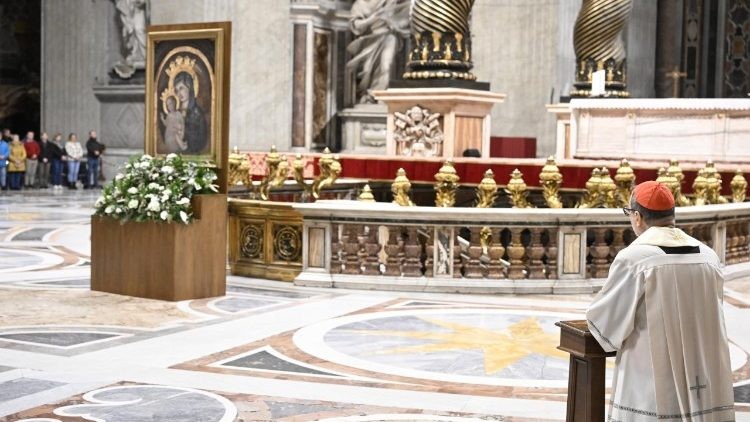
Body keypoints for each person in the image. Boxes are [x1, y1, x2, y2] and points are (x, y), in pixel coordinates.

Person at [586, 181, 734, 421]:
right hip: (705, 375)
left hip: (651, 382)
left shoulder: (634, 259)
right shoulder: (708, 256)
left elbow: (605, 324)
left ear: (637, 217)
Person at [346, 0, 410, 103]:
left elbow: (407, 7)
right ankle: (369, 96)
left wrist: (392, 20)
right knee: (366, 70)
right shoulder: (360, 4)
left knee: (386, 66)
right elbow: (356, 26)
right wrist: (374, 18)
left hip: (388, 36)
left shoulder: (390, 2)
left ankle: (379, 96)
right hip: (368, 40)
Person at [174, 72, 207, 154]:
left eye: (181, 88)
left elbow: (201, 140)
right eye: (177, 90)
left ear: (189, 87)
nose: (179, 93)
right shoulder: (176, 112)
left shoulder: (197, 113)